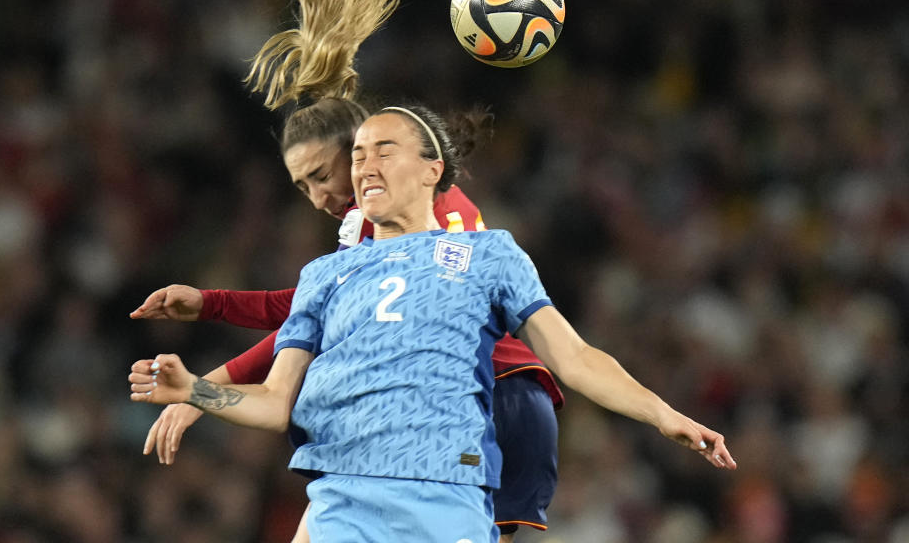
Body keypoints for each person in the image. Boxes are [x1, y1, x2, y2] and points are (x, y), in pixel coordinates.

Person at [129, 105, 738, 543]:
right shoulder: (326, 272)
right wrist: (195, 390)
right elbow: (273, 404)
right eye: (357, 154)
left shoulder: (488, 252)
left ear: (432, 170)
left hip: (444, 486)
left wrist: (665, 415)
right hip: (342, 490)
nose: (362, 165)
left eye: (382, 150)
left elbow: (574, 357)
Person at [130, 0, 562, 541]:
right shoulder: (364, 234)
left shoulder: (438, 210)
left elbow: (407, 313)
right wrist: (210, 310)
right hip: (420, 430)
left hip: (489, 403)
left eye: (320, 175)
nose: (316, 197)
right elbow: (311, 315)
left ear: (354, 150)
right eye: (300, 187)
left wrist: (204, 377)